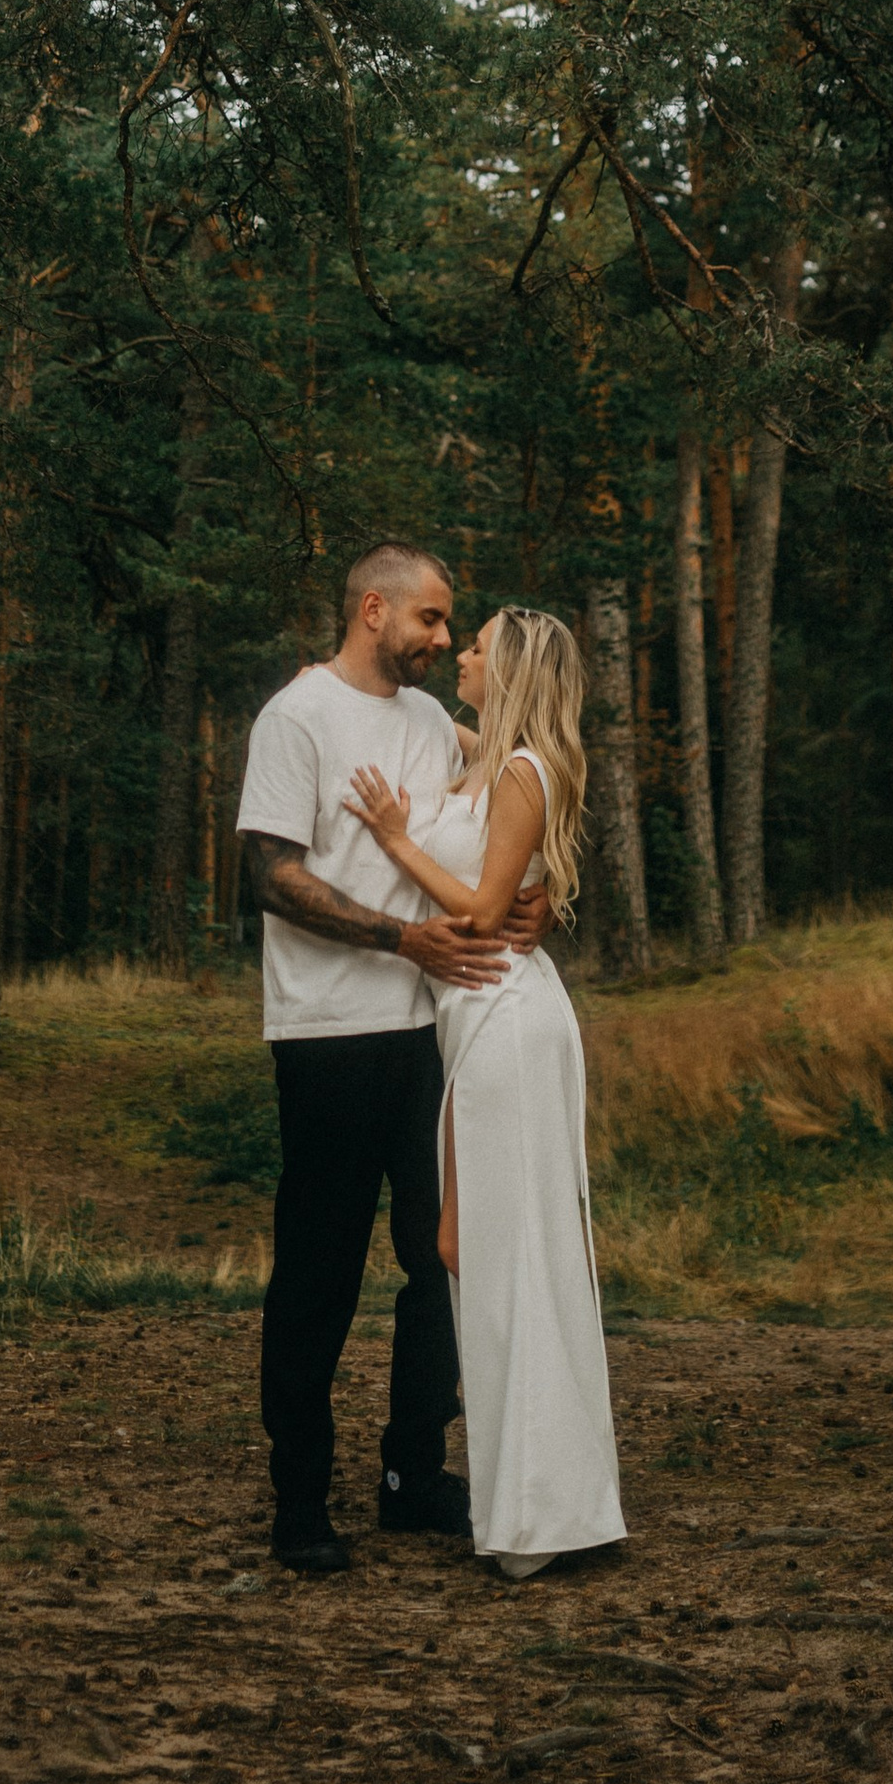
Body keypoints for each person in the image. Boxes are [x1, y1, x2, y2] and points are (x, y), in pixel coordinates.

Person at [237, 541, 541, 1576]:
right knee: (320, 1270)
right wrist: (397, 937)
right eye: (432, 621)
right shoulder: (296, 718)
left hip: (432, 1032)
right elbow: (273, 877)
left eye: (452, 626)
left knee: (441, 1260)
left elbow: (515, 783)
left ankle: (414, 1473)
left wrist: (532, 892)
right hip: (327, 1035)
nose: (445, 639)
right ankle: (300, 1500)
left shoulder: (423, 720)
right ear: (376, 610)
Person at [347, 605, 627, 1581]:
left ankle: (537, 1519)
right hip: (478, 1020)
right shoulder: (489, 756)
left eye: (474, 648)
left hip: (502, 1017)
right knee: (476, 1249)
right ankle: (543, 1503)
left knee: (501, 1255)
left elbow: (472, 908)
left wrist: (389, 837)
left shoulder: (519, 772)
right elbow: (421, 728)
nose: (458, 653)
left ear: (506, 671)